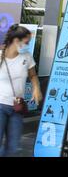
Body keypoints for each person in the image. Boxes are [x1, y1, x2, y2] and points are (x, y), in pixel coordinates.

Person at [0, 25, 42, 157]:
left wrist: (36, 88)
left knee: (12, 147)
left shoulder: (26, 57)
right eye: (26, 42)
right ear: (16, 40)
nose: (27, 45)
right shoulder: (0, 55)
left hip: (17, 107)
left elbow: (33, 75)